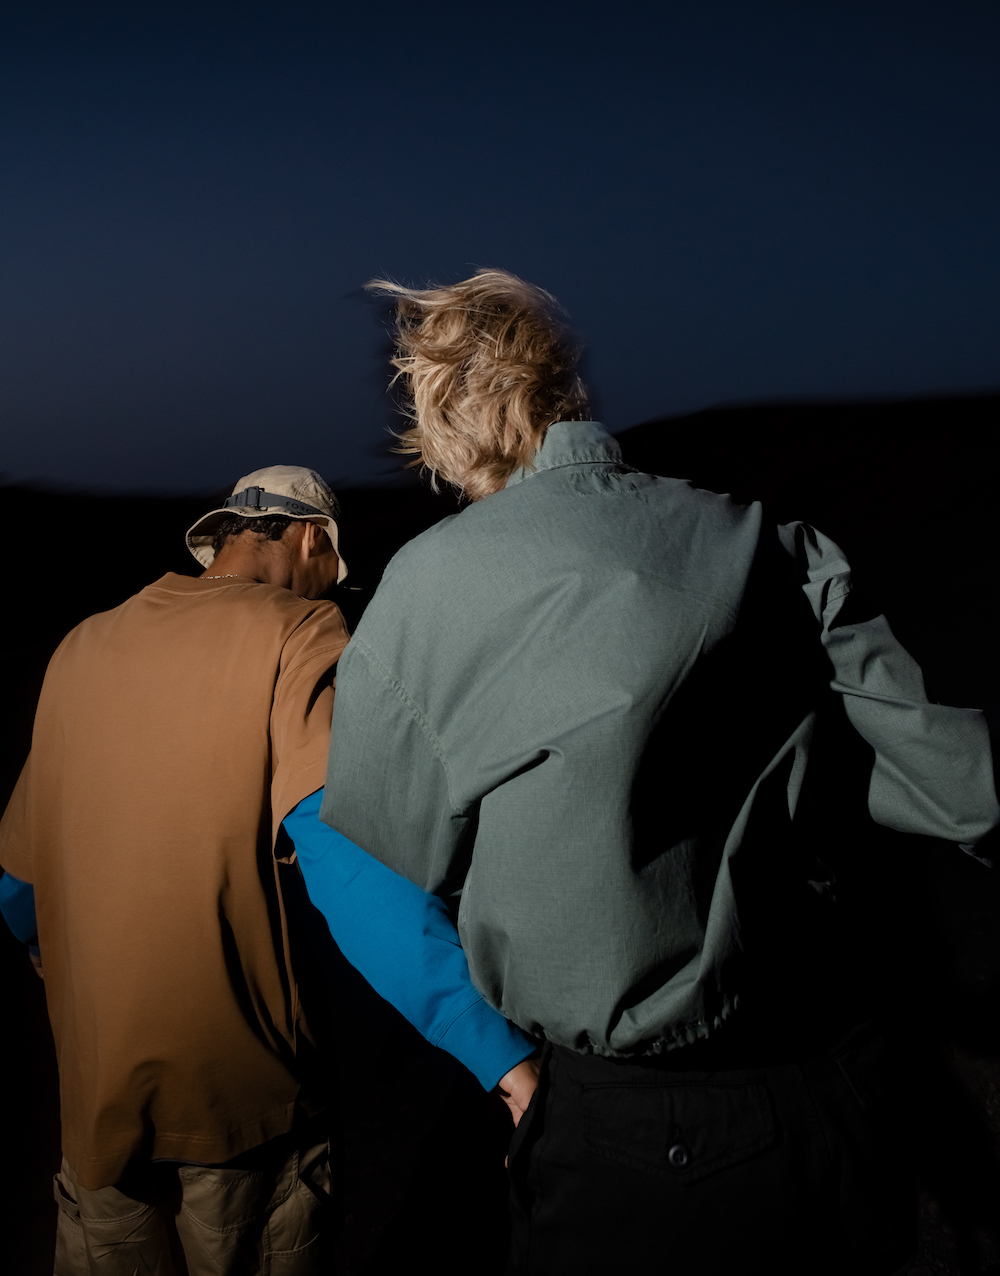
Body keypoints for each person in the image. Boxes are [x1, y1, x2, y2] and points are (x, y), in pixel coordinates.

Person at [318, 270, 1000, 1276]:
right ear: (564, 385)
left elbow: (393, 851)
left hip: (644, 1134)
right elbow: (959, 786)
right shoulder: (770, 538)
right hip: (839, 1087)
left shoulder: (428, 588)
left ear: (445, 413)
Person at [0, 464, 535, 1276]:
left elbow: (18, 888)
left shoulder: (81, 645)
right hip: (243, 1122)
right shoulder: (300, 633)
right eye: (333, 573)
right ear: (311, 539)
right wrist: (501, 1056)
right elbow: (351, 867)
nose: (332, 593)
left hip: (96, 1118)